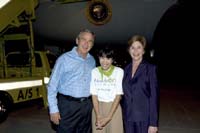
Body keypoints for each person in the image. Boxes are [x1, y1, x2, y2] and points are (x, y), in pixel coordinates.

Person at [47, 29, 96, 133]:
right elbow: (52, 85)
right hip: (68, 106)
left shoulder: (92, 60)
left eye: (90, 41)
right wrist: (53, 110)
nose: (86, 44)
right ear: (77, 41)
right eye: (84, 39)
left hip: (86, 106)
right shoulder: (64, 59)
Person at [121, 35, 159, 133]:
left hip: (144, 118)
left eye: (139, 47)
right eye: (132, 48)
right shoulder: (125, 69)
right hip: (128, 117)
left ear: (143, 51)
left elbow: (154, 97)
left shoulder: (150, 69)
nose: (135, 51)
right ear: (129, 50)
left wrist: (153, 123)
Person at [90, 46, 124, 133]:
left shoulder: (118, 71)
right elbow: (94, 94)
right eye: (102, 58)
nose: (105, 61)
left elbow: (118, 95)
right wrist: (97, 115)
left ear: (112, 59)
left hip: (113, 107)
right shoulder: (94, 71)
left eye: (108, 58)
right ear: (98, 58)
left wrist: (109, 117)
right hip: (98, 107)